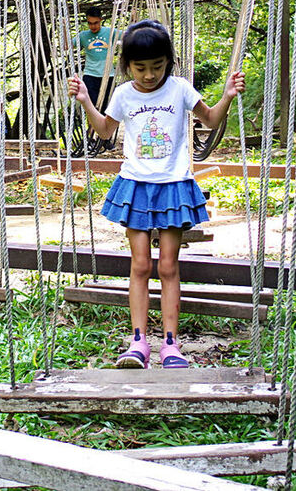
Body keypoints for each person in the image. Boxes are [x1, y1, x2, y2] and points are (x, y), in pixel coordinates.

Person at [68, 20, 245, 369]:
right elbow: (104, 130)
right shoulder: (123, 94)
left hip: (174, 185)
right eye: (141, 68)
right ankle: (138, 343)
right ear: (127, 66)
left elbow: (209, 120)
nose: (150, 75)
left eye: (157, 67)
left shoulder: (179, 89)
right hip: (136, 184)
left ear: (169, 62)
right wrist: (86, 101)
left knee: (167, 266)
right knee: (140, 265)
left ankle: (170, 344)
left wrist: (227, 95)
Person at [77, 7, 116, 112]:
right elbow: (66, 46)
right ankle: (92, 128)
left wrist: (134, 21)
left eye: (96, 23)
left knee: (108, 109)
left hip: (108, 75)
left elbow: (129, 36)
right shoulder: (83, 35)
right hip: (90, 75)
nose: (93, 26)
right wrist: (64, 28)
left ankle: (105, 128)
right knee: (91, 109)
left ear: (101, 20)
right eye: (90, 23)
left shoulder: (110, 32)